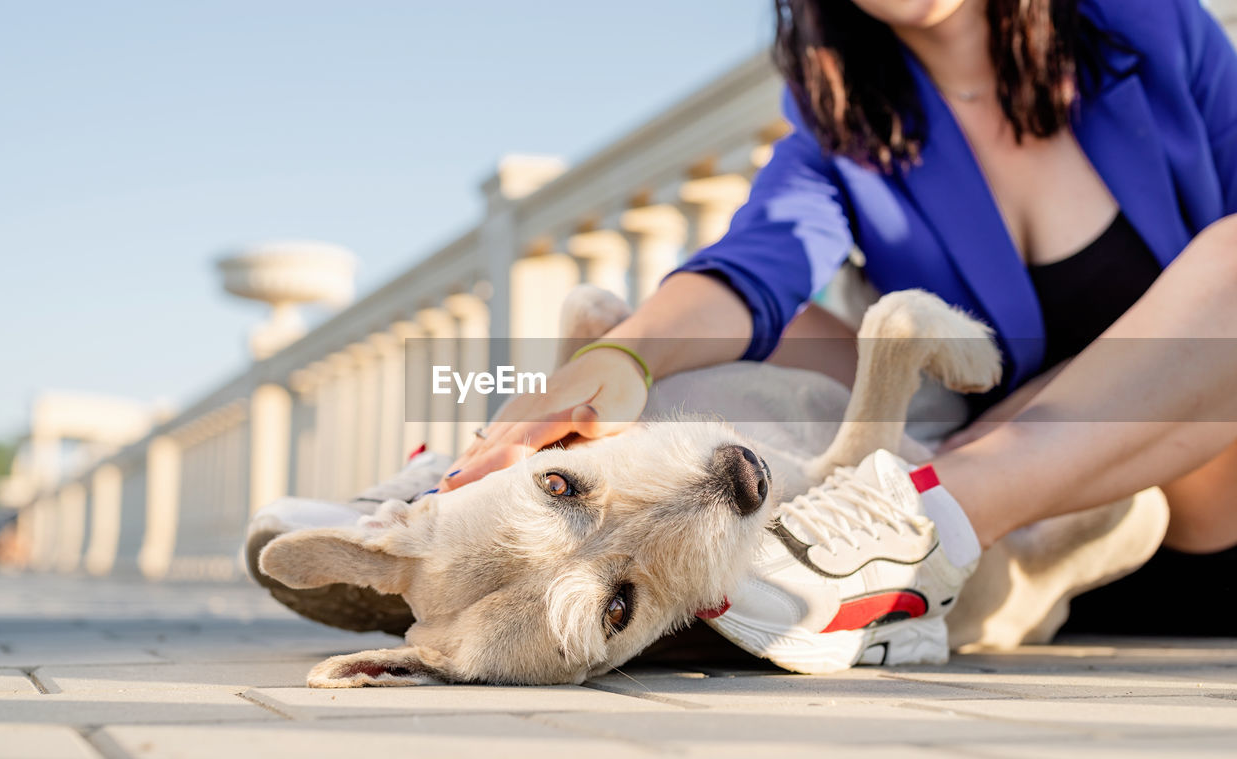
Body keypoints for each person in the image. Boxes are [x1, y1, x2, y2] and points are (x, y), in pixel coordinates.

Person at [439, 0, 1237, 665]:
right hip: (1024, 548)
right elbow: (761, 262)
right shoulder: (848, 116)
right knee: (739, 327)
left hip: (1199, 514)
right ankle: (589, 515)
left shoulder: (1150, 28)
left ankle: (917, 521)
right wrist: (624, 356)